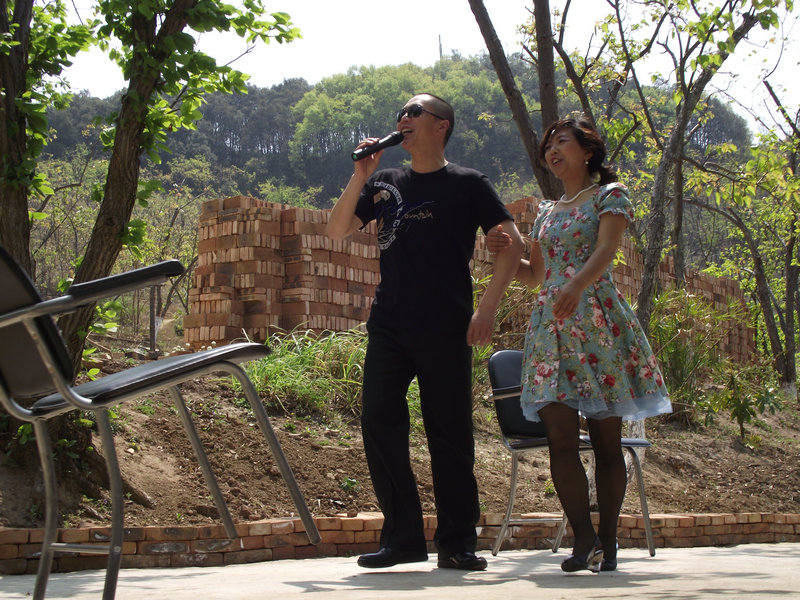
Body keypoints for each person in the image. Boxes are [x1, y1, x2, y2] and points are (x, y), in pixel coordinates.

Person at [327, 93, 525, 571]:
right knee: (378, 421)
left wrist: (487, 309)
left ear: (442, 126)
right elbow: (335, 230)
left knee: (449, 432)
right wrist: (359, 175)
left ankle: (457, 543)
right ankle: (402, 539)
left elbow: (513, 245)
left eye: (415, 112)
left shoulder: (468, 184)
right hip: (389, 324)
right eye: (401, 113)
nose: (404, 118)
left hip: (447, 325)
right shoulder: (385, 182)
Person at [487, 115, 671, 573]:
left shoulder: (610, 195)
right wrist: (506, 251)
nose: (553, 151)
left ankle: (608, 541)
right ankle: (583, 539)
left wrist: (576, 285)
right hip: (550, 330)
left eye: (562, 142)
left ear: (587, 151)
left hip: (596, 326)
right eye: (548, 145)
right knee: (560, 440)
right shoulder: (546, 212)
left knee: (607, 443)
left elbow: (606, 250)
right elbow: (536, 275)